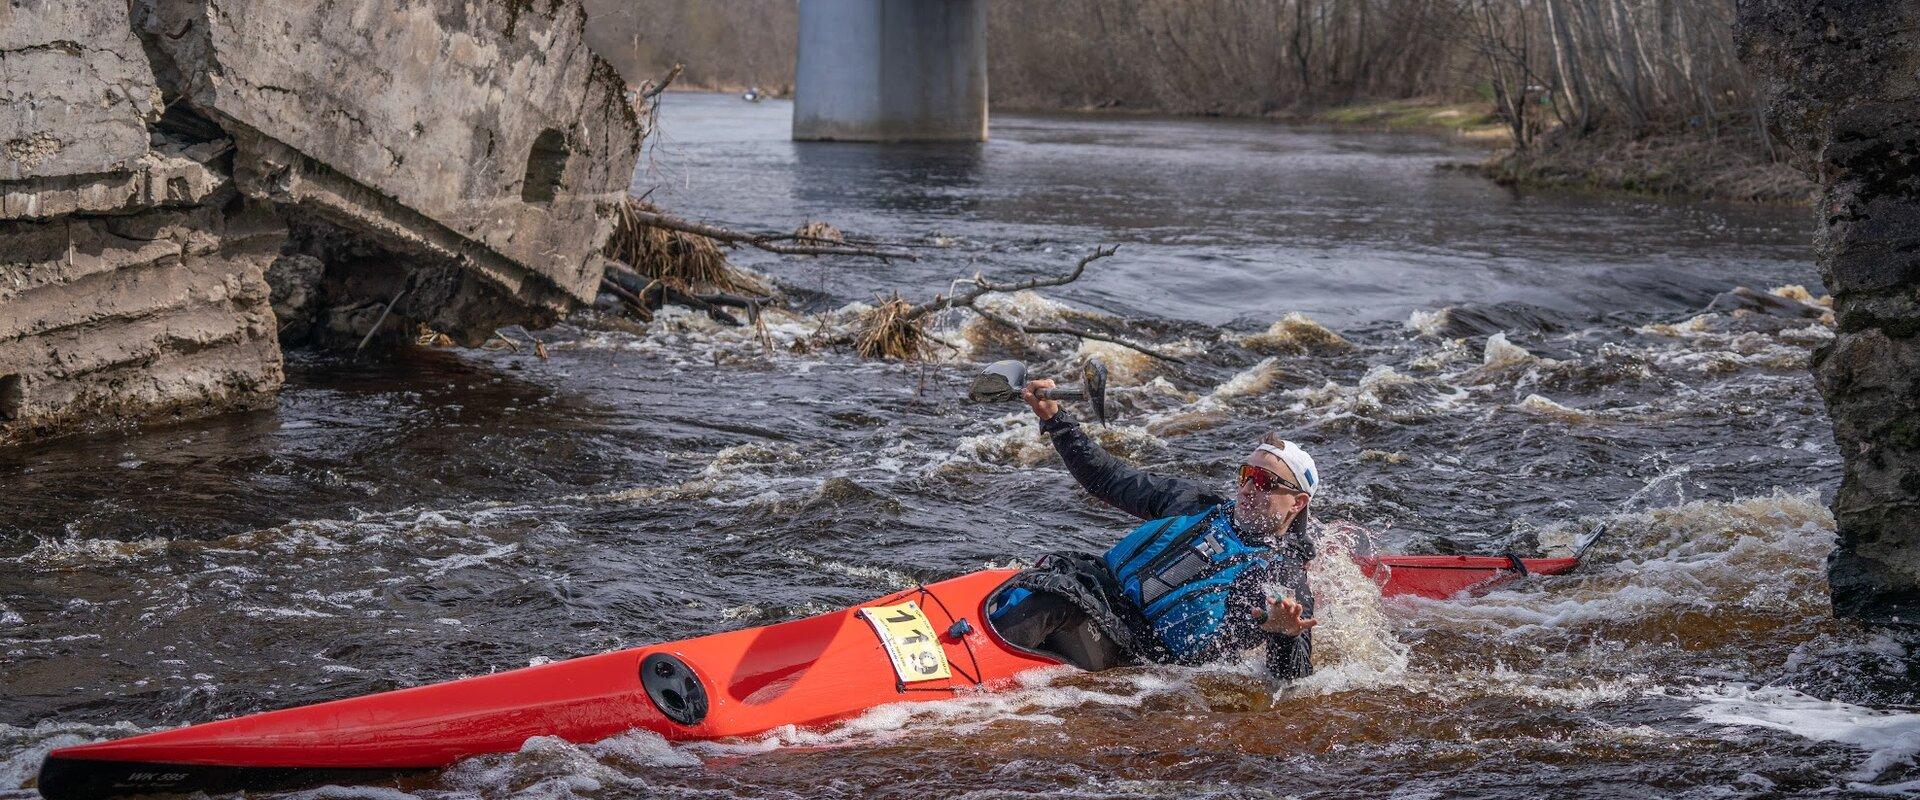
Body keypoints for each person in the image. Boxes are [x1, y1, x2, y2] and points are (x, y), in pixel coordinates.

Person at [988, 377, 1320, 681]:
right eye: (1246, 474)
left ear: (1297, 502)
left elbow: (1293, 677)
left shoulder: (1281, 575)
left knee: (1055, 600)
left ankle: (969, 679)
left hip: (1136, 653)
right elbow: (1106, 477)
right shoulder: (1194, 504)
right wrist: (1055, 419)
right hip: (1100, 594)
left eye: (1264, 482)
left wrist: (1283, 634)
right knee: (1017, 583)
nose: (1248, 488)